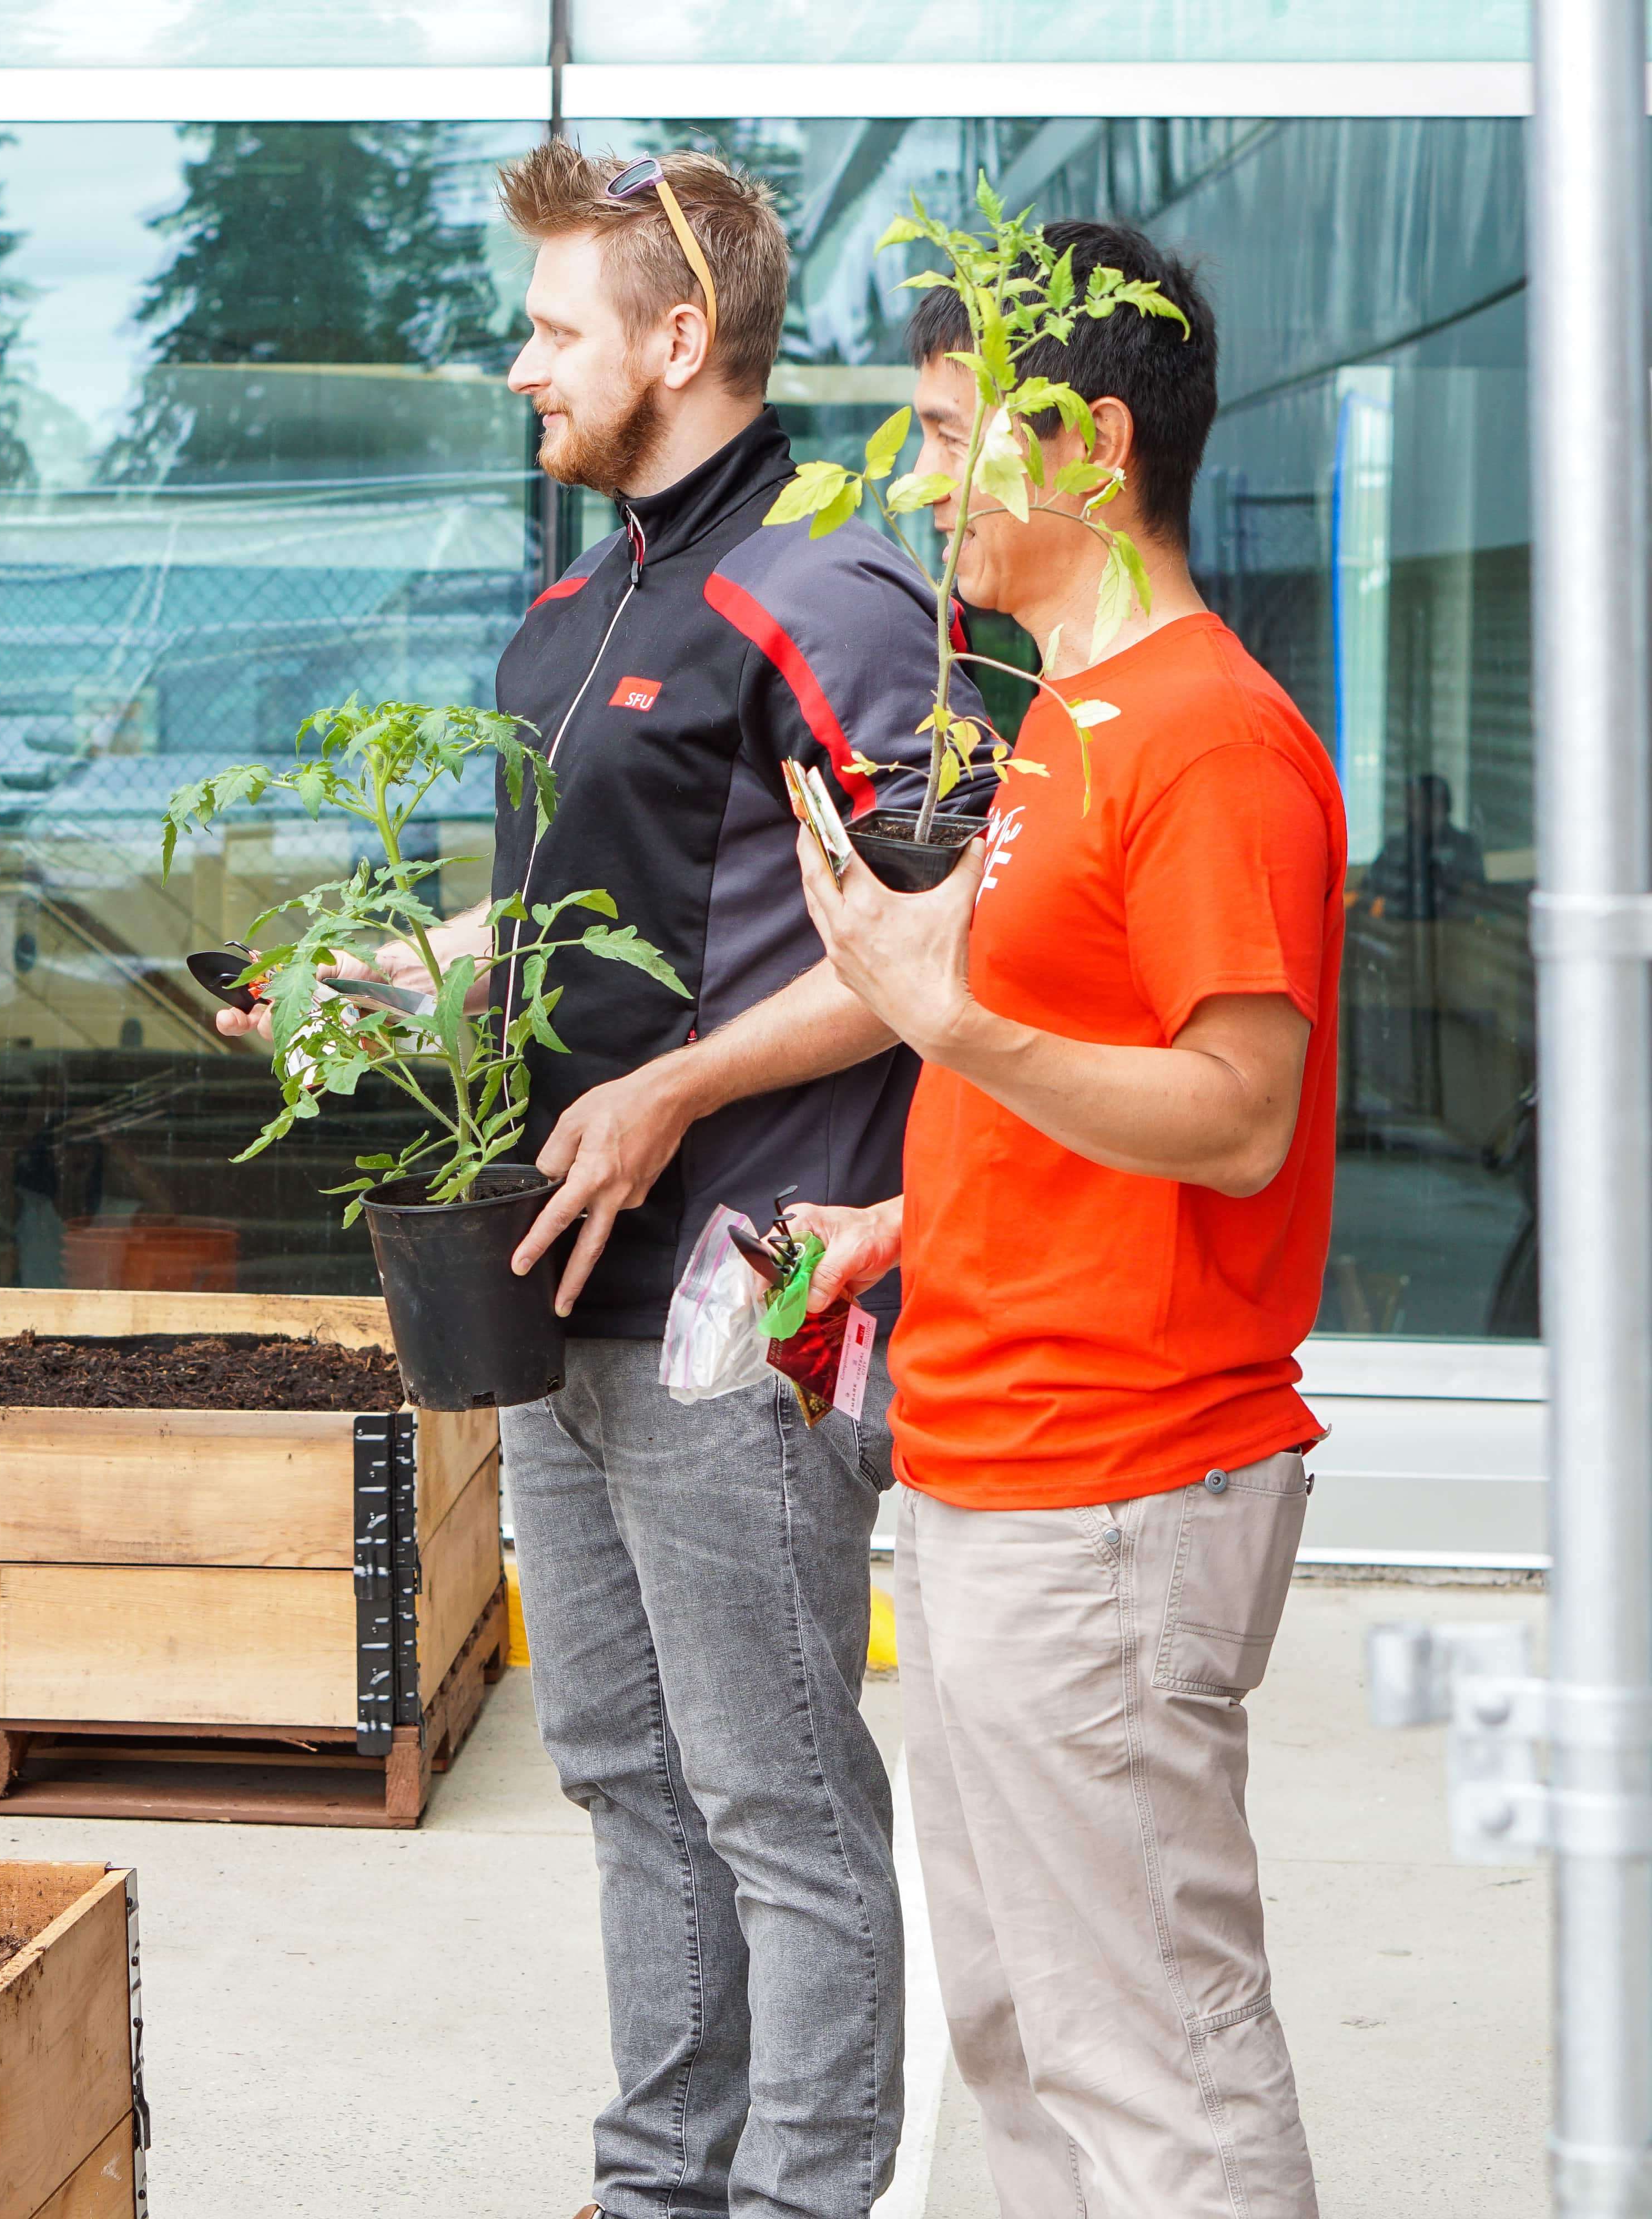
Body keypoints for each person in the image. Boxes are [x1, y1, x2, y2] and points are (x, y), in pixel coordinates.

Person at [219, 143, 955, 2219]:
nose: (517, 364)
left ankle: (802, 2201)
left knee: (781, 1801)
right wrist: (367, 985)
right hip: (559, 1286)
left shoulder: (831, 597)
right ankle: (657, 2188)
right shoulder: (577, 608)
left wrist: (678, 1090)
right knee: (627, 1775)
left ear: (679, 338)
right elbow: (554, 923)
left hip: (743, 1293)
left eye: (551, 328)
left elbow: (932, 945)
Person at [785, 221, 1339, 2219]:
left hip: (1109, 1495)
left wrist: (938, 1014)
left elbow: (1238, 1118)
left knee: (1154, 2068)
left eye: (949, 437)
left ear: (1090, 448)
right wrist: (899, 1222)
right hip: (998, 1473)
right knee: (1021, 2037)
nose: (925, 484)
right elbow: (1062, 1076)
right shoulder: (1066, 716)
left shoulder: (1205, 738)